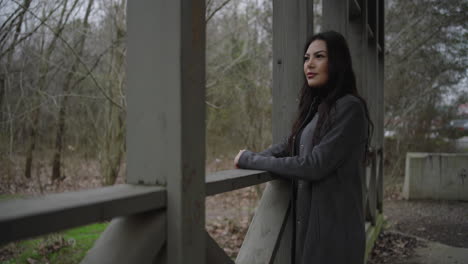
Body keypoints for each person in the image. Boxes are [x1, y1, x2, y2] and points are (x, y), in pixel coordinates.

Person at [234, 30, 373, 264]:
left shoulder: (349, 108)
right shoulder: (319, 107)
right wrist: (255, 156)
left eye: (319, 56)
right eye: (306, 58)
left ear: (337, 62)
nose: (310, 64)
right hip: (312, 231)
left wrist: (251, 160)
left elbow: (314, 165)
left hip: (335, 236)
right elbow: (291, 144)